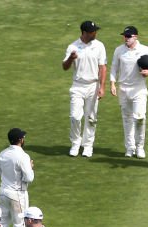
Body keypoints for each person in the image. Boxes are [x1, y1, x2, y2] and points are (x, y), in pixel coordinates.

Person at [109, 26, 148, 158]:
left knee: (140, 118)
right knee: (127, 119)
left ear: (136, 36)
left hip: (139, 89)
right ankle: (130, 148)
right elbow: (114, 67)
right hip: (123, 89)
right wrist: (112, 83)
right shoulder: (119, 50)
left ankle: (140, 147)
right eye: (125, 36)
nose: (126, 39)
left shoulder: (145, 50)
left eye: (129, 36)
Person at [62, 20, 107, 157]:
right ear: (85, 33)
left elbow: (102, 67)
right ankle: (76, 143)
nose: (95, 33)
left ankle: (88, 146)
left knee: (91, 117)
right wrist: (71, 58)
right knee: (75, 117)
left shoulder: (99, 46)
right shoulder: (73, 47)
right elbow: (65, 67)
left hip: (93, 85)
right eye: (93, 31)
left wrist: (102, 87)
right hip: (78, 85)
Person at [0, 128, 35, 227]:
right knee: (19, 226)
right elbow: (29, 177)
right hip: (17, 195)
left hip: (3, 192)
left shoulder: (2, 154)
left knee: (2, 224)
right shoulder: (23, 156)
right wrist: (31, 167)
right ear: (20, 140)